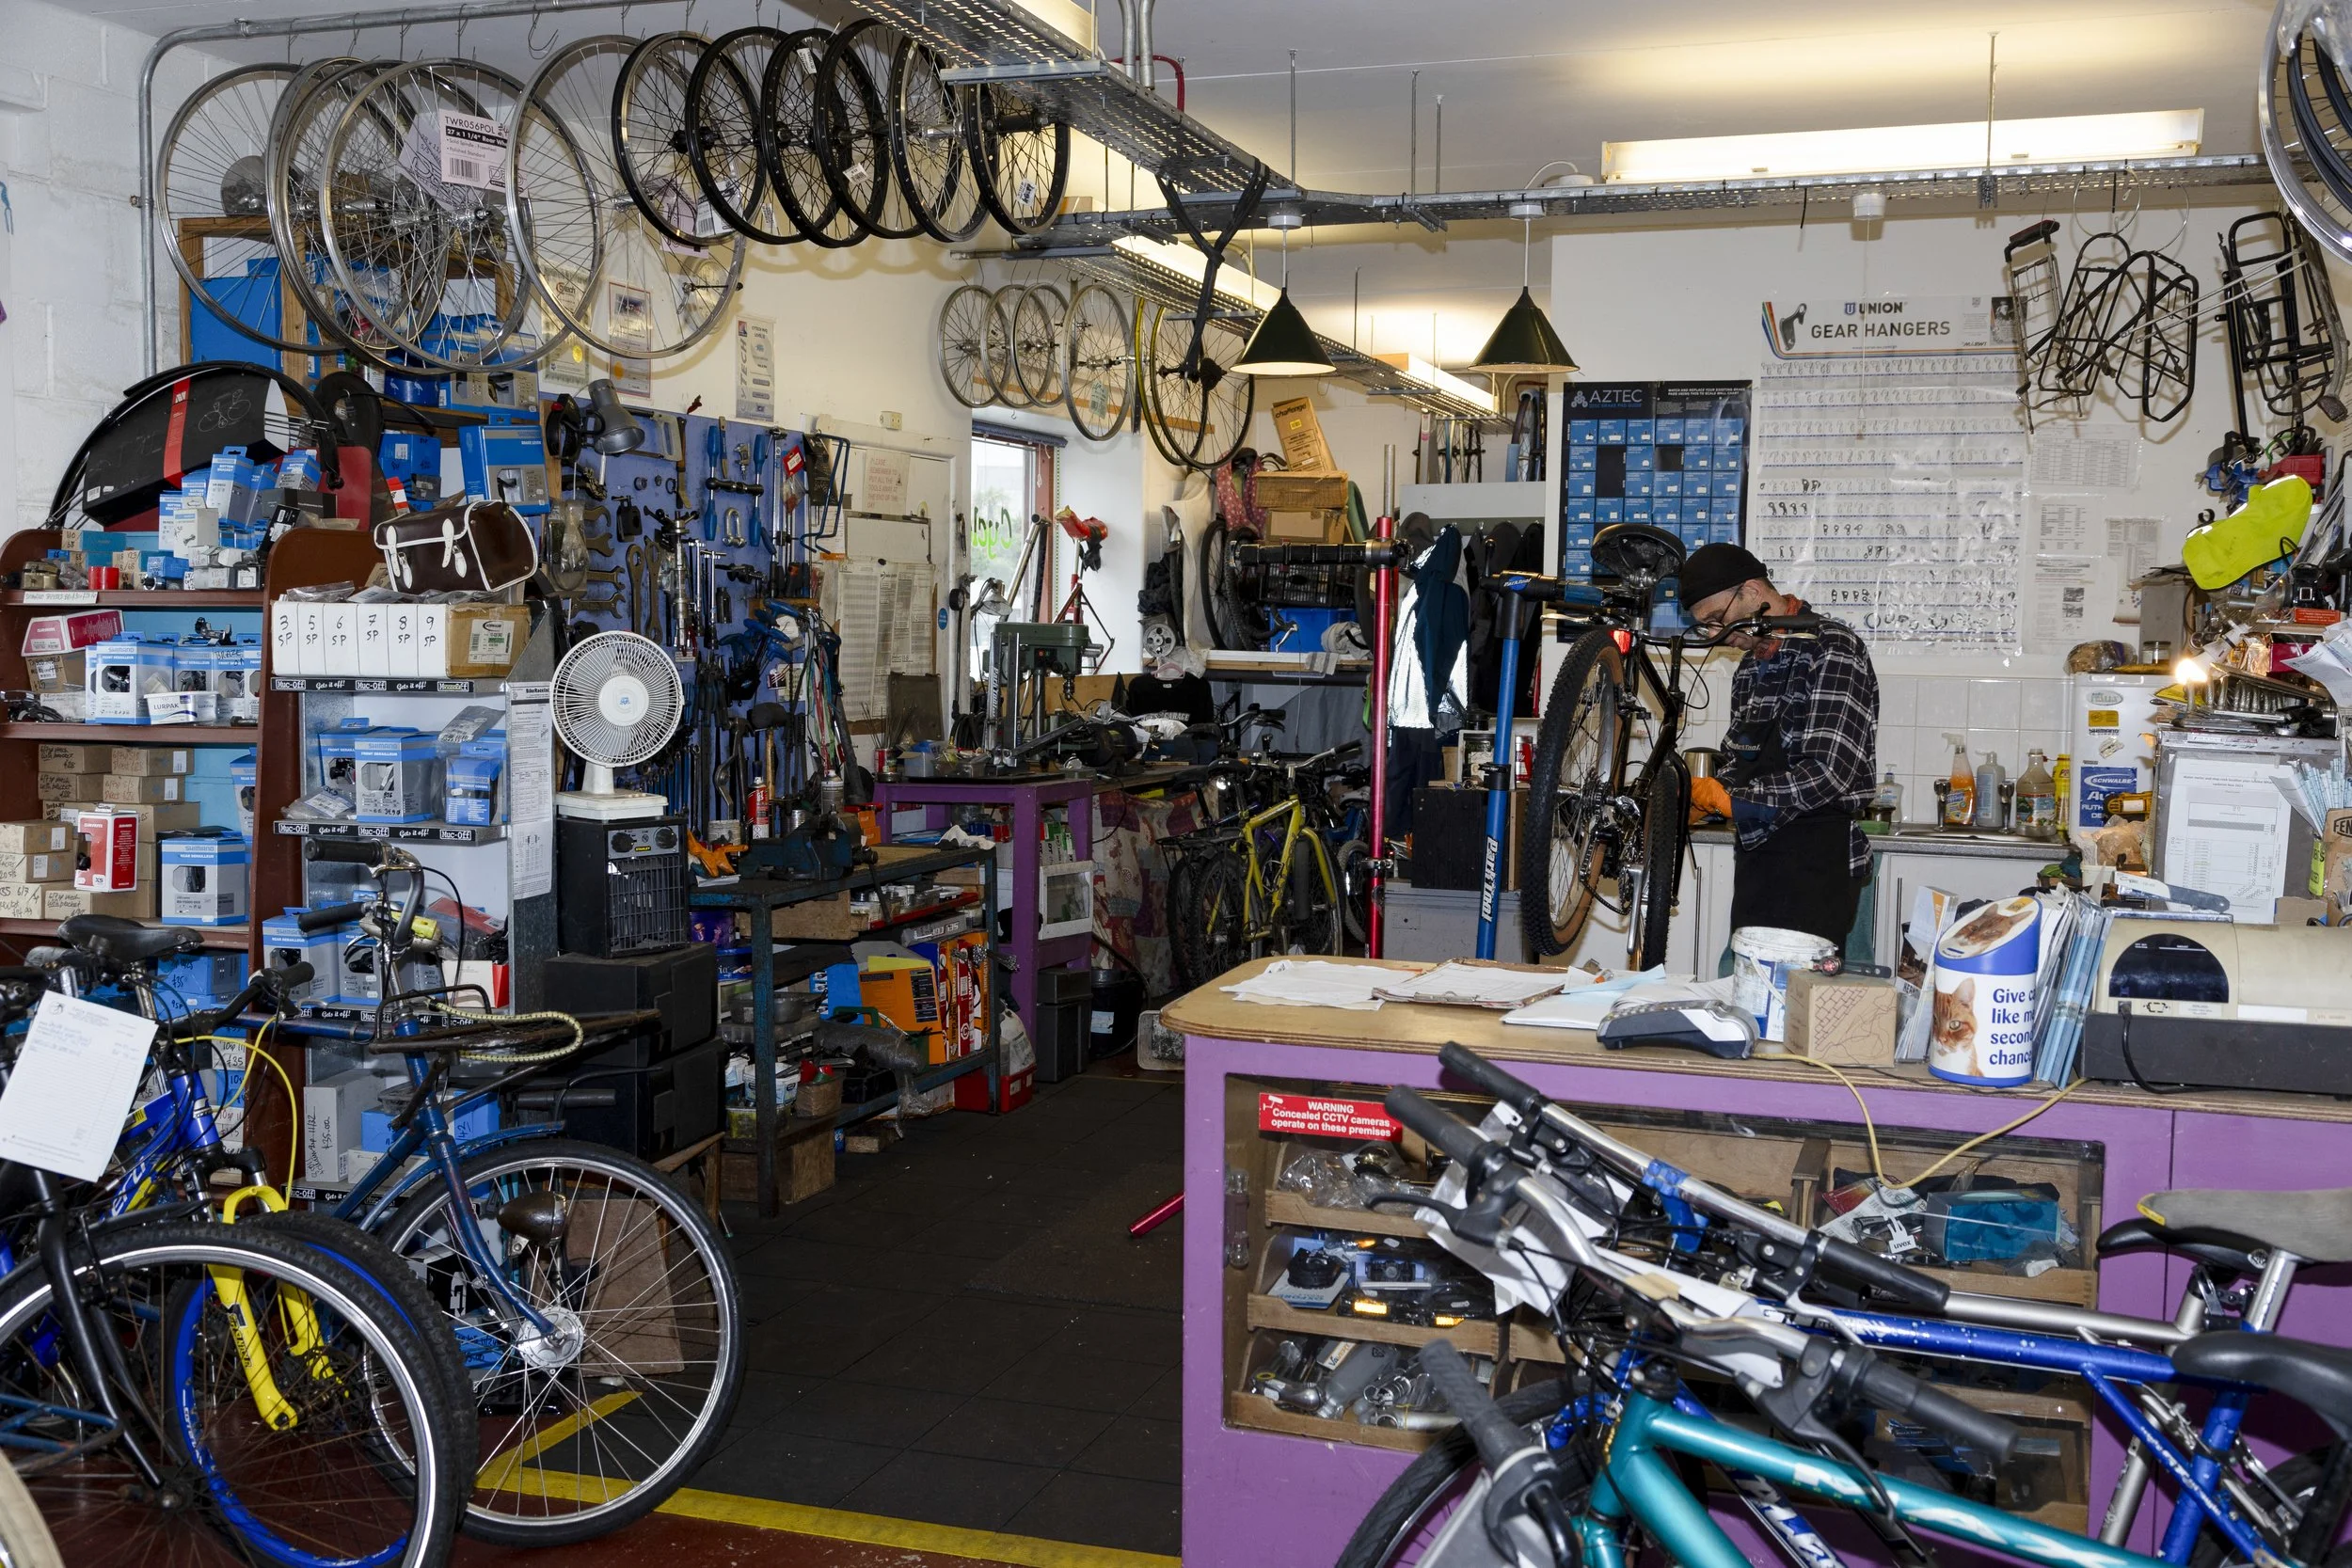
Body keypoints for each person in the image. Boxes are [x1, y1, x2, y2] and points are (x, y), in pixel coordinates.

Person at [1677, 544, 1879, 951]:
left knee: (1802, 1003)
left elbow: (1830, 771)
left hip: (1817, 858)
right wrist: (1705, 795)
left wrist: (1735, 803)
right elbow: (1741, 758)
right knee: (1752, 988)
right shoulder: (1750, 667)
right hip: (1758, 858)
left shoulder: (1831, 647)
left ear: (1752, 591)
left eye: (1717, 619)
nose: (1716, 636)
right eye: (1705, 627)